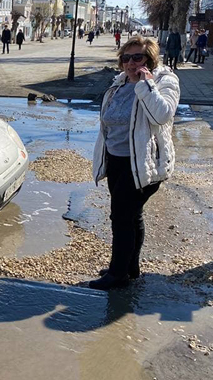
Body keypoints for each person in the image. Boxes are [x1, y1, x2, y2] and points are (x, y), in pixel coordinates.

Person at [91, 36, 180, 290]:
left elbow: (161, 115)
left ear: (150, 59)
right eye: (126, 58)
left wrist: (146, 85)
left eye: (137, 57)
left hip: (143, 163)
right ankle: (130, 268)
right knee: (131, 215)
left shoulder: (165, 82)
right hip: (117, 161)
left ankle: (117, 274)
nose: (131, 63)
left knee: (120, 216)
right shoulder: (119, 83)